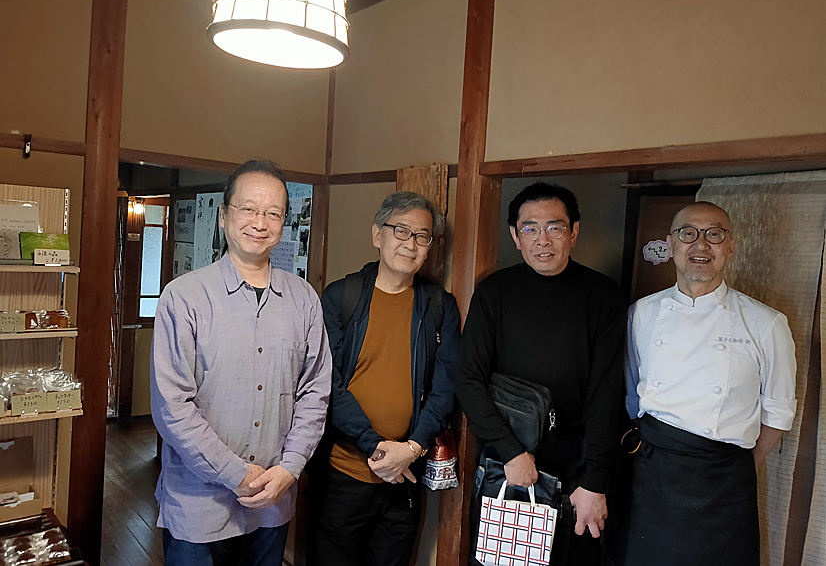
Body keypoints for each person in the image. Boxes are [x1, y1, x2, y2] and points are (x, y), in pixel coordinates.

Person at [150, 160, 332, 565]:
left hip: (273, 501)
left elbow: (314, 393)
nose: (260, 223)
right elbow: (171, 407)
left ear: (284, 222)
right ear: (224, 215)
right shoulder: (184, 297)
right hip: (199, 506)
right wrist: (236, 474)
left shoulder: (304, 299)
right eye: (248, 209)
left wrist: (290, 468)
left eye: (273, 213)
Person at [611, 201, 797, 566]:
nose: (700, 245)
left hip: (723, 481)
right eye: (688, 234)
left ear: (730, 246)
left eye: (714, 234)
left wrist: (732, 464)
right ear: (671, 245)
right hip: (652, 473)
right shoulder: (641, 313)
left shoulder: (766, 323)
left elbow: (778, 412)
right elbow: (633, 394)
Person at [457, 182, 626, 565]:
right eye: (530, 228)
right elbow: (468, 379)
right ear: (515, 236)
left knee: (575, 558)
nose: (542, 240)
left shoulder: (605, 296)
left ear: (574, 232)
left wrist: (594, 479)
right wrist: (510, 452)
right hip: (507, 463)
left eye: (555, 227)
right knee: (501, 559)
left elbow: (607, 395)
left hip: (577, 467)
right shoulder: (494, 292)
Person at [310, 191, 461, 566]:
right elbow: (328, 384)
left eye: (422, 236)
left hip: (405, 476)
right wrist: (376, 447)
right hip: (343, 473)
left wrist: (412, 448)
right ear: (378, 235)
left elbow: (445, 388)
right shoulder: (341, 297)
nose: (411, 244)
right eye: (401, 231)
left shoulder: (440, 306)